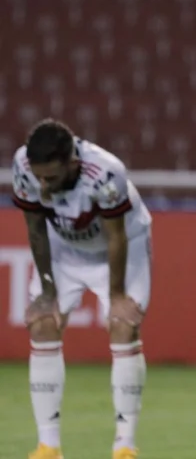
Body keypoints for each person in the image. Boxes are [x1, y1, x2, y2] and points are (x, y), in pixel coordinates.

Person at [13, 119, 153, 459]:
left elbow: (115, 235)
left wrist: (117, 297)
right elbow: (34, 227)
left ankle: (124, 446)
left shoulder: (106, 173)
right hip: (64, 250)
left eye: (52, 178)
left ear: (72, 164)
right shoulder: (23, 166)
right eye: (39, 177)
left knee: (123, 325)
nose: (43, 186)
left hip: (121, 249)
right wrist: (47, 290)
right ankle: (48, 446)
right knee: (43, 322)